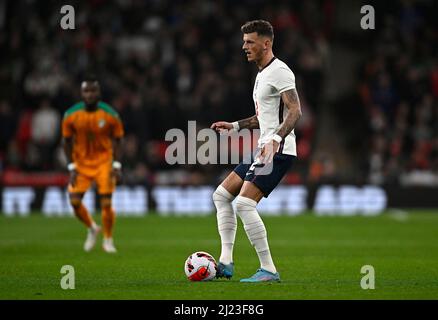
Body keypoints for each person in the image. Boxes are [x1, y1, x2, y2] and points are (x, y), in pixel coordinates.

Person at [210, 20, 302, 282]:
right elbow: (264, 116)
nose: (244, 46)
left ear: (266, 43)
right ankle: (226, 262)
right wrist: (236, 125)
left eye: (250, 42)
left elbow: (295, 111)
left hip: (279, 150)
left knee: (244, 203)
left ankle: (269, 270)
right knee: (221, 195)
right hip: (264, 147)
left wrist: (275, 139)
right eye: (244, 41)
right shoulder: (262, 73)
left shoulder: (280, 71)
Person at [62, 76, 124, 253]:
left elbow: (119, 140)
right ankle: (91, 227)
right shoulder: (70, 115)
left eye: (93, 91)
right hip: (81, 164)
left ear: (99, 93)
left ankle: (108, 239)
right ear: (81, 93)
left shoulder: (111, 115)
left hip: (104, 162)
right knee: (74, 201)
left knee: (106, 203)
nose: (89, 95)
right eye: (86, 91)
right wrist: (71, 167)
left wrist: (117, 165)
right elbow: (65, 141)